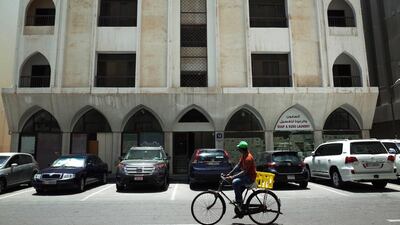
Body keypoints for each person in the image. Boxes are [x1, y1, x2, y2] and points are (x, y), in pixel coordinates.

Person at [225, 141, 257, 214]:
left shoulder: (248, 158)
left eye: (239, 148)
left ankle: (239, 202)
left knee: (235, 182)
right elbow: (238, 165)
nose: (238, 149)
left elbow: (244, 172)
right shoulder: (244, 155)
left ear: (242, 149)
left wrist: (232, 177)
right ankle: (240, 204)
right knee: (238, 188)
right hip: (246, 176)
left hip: (250, 178)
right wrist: (229, 173)